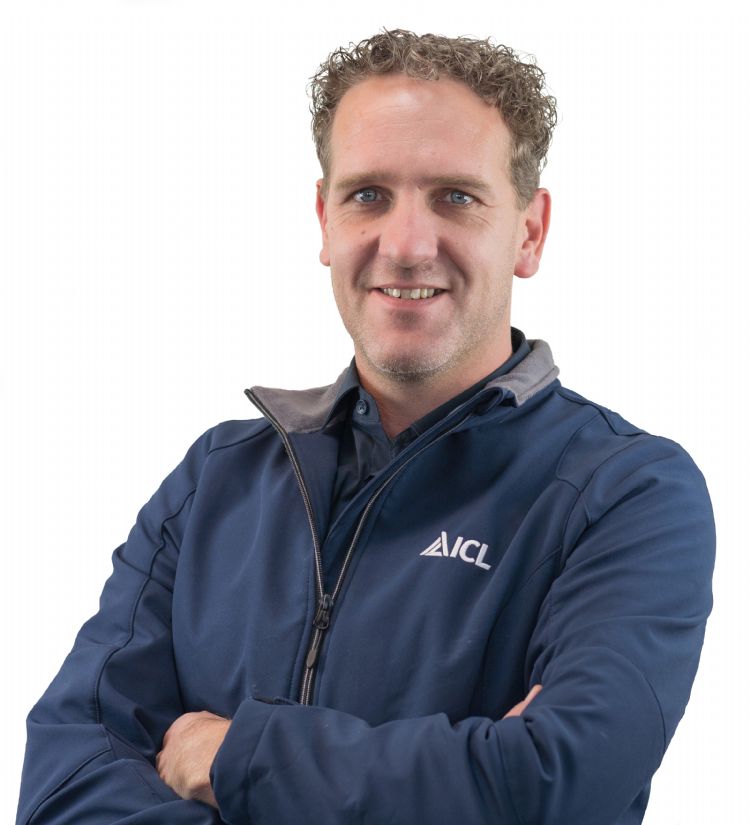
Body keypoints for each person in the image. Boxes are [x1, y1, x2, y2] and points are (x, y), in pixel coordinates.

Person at [16, 28, 714, 825]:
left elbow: (555, 783)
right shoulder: (217, 480)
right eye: (369, 195)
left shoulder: (625, 494)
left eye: (456, 197)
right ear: (324, 218)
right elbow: (64, 784)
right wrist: (460, 774)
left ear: (530, 231)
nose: (406, 245)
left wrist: (242, 753)